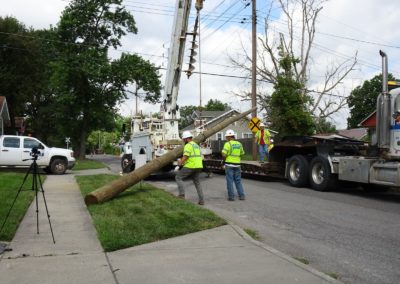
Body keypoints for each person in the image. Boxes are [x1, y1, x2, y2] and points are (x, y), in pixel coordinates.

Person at [175, 131, 205, 205]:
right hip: (199, 165)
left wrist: (179, 164)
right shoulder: (196, 145)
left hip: (191, 165)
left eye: (183, 139)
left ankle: (181, 195)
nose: (183, 140)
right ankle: (202, 200)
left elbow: (186, 156)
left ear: (186, 139)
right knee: (197, 182)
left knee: (178, 177)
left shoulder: (188, 146)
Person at [222, 129, 245, 201]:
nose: (226, 138)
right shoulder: (239, 144)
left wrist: (224, 159)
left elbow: (224, 154)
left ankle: (231, 197)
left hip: (229, 165)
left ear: (229, 137)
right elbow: (242, 153)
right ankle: (242, 196)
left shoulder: (227, 144)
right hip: (237, 165)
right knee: (238, 181)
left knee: (230, 181)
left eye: (226, 137)